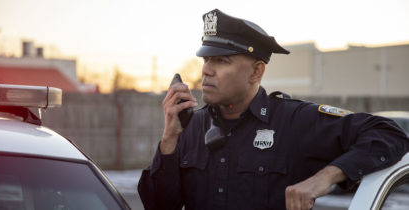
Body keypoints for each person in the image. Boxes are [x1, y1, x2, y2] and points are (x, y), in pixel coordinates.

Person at [138, 9, 409, 210]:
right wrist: (168, 141)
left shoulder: (294, 121)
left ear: (257, 71)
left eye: (221, 60)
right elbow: (159, 206)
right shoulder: (190, 127)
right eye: (206, 59)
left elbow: (389, 134)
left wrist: (325, 178)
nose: (207, 70)